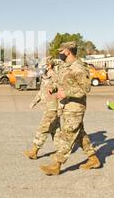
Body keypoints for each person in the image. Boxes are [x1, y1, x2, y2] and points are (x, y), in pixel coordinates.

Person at [39, 41, 101, 175]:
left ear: (68, 51)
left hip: (75, 107)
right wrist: (54, 88)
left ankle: (57, 165)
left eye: (61, 51)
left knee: (67, 136)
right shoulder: (65, 66)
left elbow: (85, 89)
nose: (59, 53)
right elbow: (62, 82)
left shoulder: (79, 67)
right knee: (79, 135)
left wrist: (66, 93)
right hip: (67, 106)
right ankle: (93, 159)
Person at [23, 57, 60, 159]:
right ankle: (60, 151)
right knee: (55, 130)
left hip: (52, 107)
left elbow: (58, 85)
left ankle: (34, 151)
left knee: (43, 128)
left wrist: (52, 88)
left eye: (42, 65)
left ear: (48, 66)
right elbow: (41, 92)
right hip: (46, 107)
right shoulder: (45, 76)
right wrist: (34, 102)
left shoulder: (54, 75)